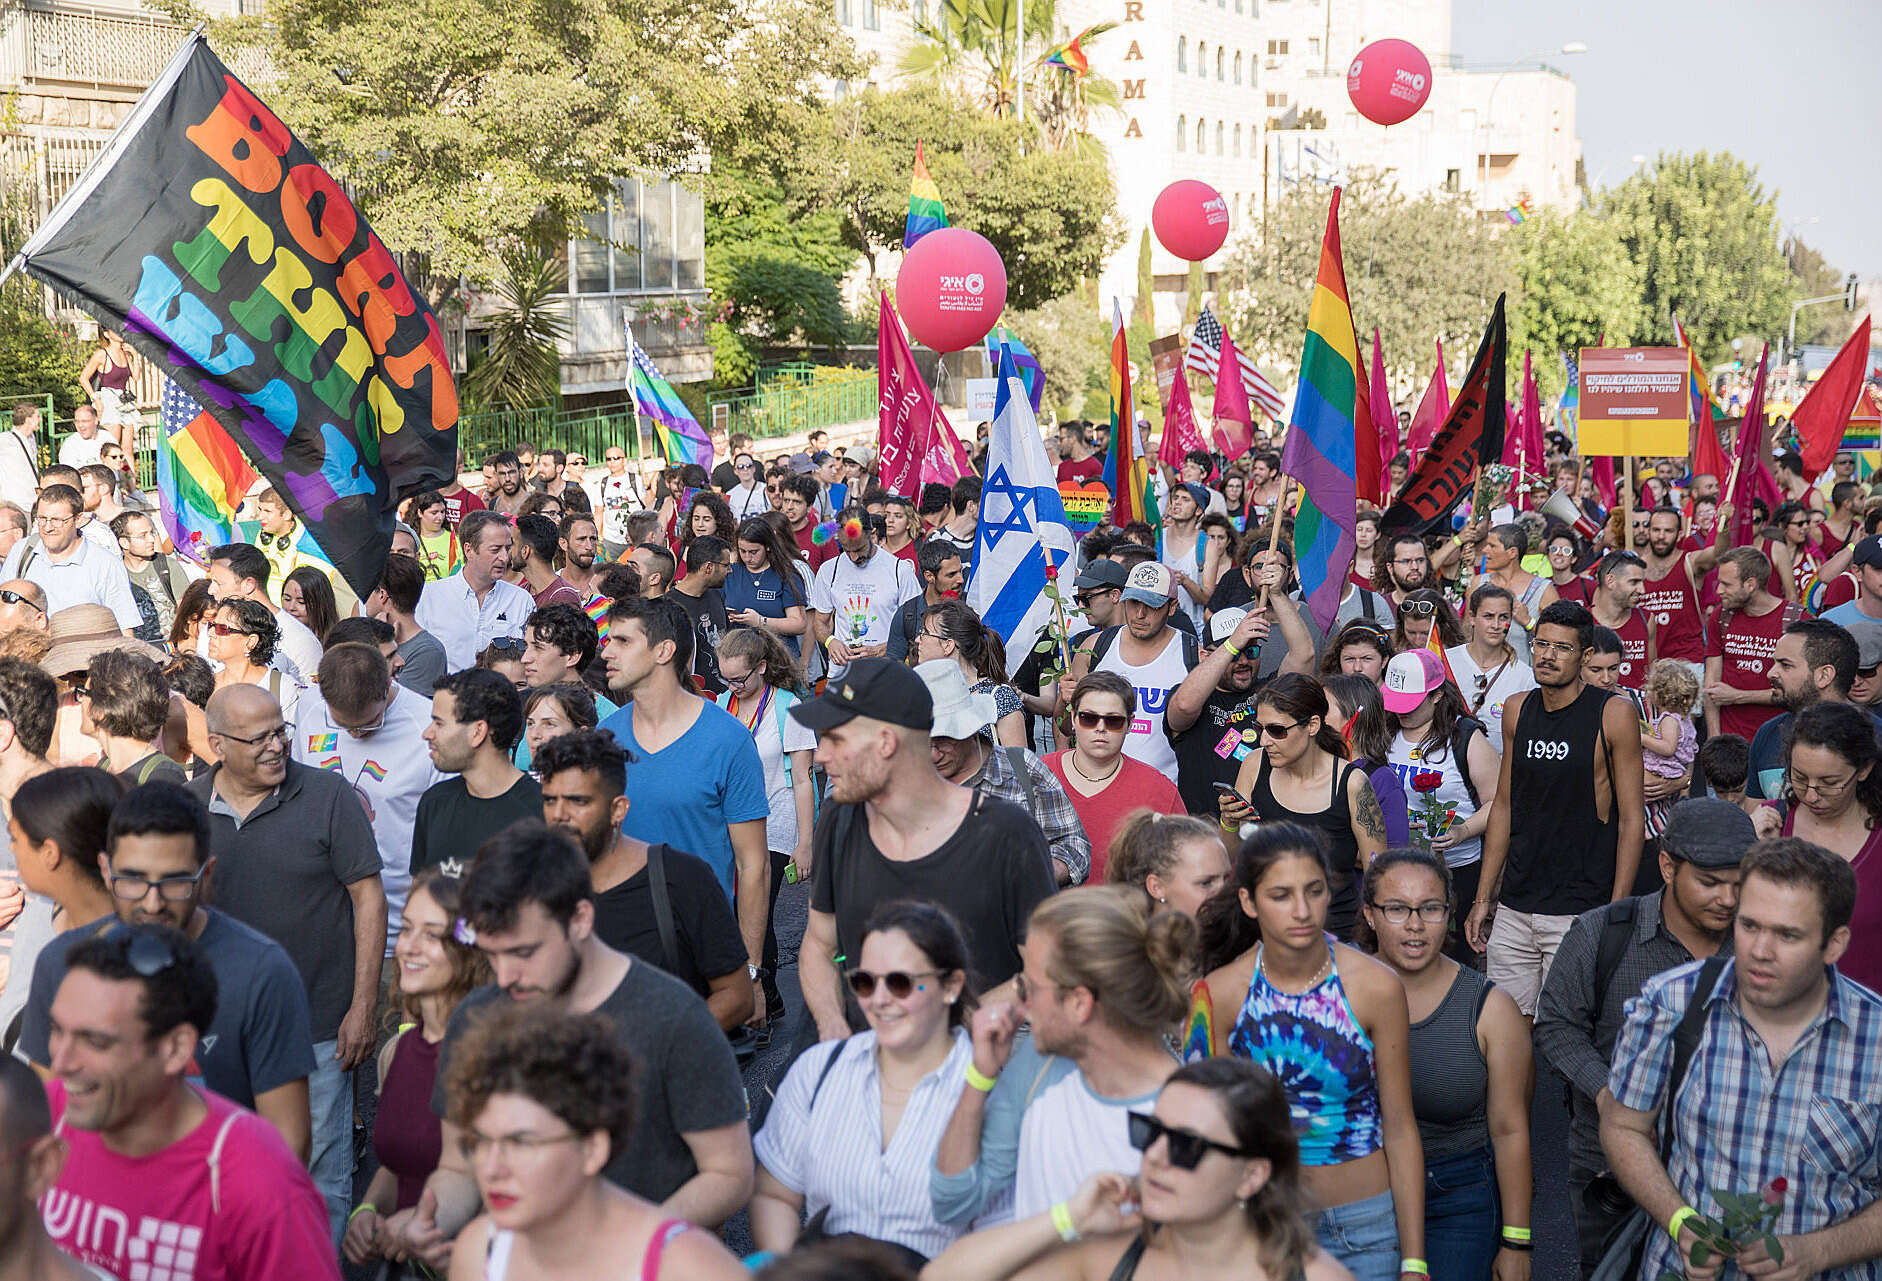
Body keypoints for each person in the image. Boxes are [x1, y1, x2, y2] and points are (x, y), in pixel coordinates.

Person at [391, 824, 751, 1267]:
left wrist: (621, 1244)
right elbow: (458, 1167)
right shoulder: (477, 1017)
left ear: (580, 918)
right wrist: (433, 1220)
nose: (503, 978)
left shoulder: (675, 1017)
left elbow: (729, 1173)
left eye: (523, 953)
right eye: (491, 954)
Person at [1602, 837, 1882, 1281]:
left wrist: (1819, 1251)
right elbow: (1623, 1126)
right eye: (1749, 925)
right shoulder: (1671, 1002)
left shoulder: (1876, 1039)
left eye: (1787, 934)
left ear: (1834, 944)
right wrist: (1679, 1221)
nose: (1759, 950)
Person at [23, 779, 317, 1158]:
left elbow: (288, 1143)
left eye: (175, 882)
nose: (153, 902)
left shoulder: (263, 972)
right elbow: (50, 1118)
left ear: (206, 876)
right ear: (105, 871)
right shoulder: (60, 965)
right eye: (132, 880)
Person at [191, 684, 385, 1239]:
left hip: (318, 1027)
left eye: (281, 731)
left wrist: (363, 1005)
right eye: (260, 738)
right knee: (226, 1170)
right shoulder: (188, 808)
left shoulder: (328, 796)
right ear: (218, 745)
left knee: (319, 1176)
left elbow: (368, 897)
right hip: (218, 1030)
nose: (277, 746)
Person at [41, 924, 340, 1279]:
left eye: (95, 1041)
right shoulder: (44, 1116)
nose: (61, 1063)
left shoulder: (260, 1182)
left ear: (176, 1049)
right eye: (57, 1031)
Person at [1533, 798, 1752, 1276]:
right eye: (1711, 883)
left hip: (1724, 1173)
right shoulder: (1602, 933)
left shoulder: (1758, 945)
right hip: (1608, 1169)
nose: (1729, 901)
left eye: (1741, 885)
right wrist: (1609, 1094)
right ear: (1668, 867)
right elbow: (1555, 1025)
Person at [1199, 823, 1424, 1281]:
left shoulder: (1376, 987)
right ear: (1248, 901)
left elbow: (1399, 1125)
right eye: (1280, 895)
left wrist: (1415, 1260)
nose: (1301, 910)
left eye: (1314, 891)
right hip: (1265, 1224)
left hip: (1367, 1225)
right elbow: (1210, 1129)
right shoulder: (1220, 995)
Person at [795, 658, 1056, 1041]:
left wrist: (951, 1027)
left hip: (974, 1072)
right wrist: (833, 1028)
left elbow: (1045, 970)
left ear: (886, 742)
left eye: (836, 739)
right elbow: (819, 944)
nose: (820, 756)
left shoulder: (1006, 833)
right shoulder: (839, 817)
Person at [925, 1056, 1347, 1281]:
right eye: (1150, 1131)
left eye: (1186, 1144)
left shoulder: (1315, 1277)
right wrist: (1068, 1218)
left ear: (1252, 1175)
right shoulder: (1113, 1255)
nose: (1156, 1155)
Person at [931, 887, 1192, 1227]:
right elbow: (953, 1203)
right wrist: (981, 1075)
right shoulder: (1036, 1067)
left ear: (1079, 1004)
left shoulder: (1188, 1115)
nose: (1019, 1005)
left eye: (1028, 988)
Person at [440, 1003, 747, 1281]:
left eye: (520, 1143)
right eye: (480, 1142)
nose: (491, 1169)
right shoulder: (479, 1253)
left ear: (593, 1148)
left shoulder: (689, 1268)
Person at [754, 900, 978, 1263]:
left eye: (901, 983)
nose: (879, 1000)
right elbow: (775, 1193)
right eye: (864, 982)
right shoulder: (820, 1071)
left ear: (951, 986)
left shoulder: (992, 1094)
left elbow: (1006, 1235)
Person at [1467, 601, 1645, 1020]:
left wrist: (1615, 913)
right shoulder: (1517, 708)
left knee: (1567, 1032)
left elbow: (1633, 821)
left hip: (1580, 908)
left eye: (1561, 648)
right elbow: (1505, 806)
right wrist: (1483, 897)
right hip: (1516, 904)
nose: (1546, 655)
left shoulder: (1613, 714)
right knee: (1507, 1033)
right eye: (1540, 643)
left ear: (1585, 656)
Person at [1361, 847, 1532, 1281]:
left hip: (1458, 1193)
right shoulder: (1336, 991)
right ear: (1369, 915)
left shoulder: (1491, 1008)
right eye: (1397, 909)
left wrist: (1516, 1241)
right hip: (1359, 1193)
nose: (1415, 925)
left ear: (1450, 913)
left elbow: (1510, 1129)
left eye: (1430, 909)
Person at [345, 865, 491, 1270]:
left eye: (432, 934)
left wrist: (424, 1226)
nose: (409, 946)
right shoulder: (396, 1052)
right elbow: (397, 1166)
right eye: (407, 928)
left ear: (469, 948)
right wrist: (367, 1211)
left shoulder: (489, 1056)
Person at [292, 642, 438, 976]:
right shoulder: (310, 709)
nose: (356, 734)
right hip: (324, 933)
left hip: (396, 940)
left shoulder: (427, 727)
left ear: (388, 685)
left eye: (370, 723)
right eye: (344, 726)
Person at [1220, 674, 1387, 940]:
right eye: (1259, 727)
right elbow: (1232, 860)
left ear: (1312, 725)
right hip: (1265, 931)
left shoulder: (1351, 783)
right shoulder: (1253, 765)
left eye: (1276, 730)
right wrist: (1228, 821)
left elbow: (1377, 872)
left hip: (1334, 935)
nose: (1264, 740)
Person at [918, 659, 1090, 888]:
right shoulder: (910, 781)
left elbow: (1074, 845)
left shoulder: (1022, 769)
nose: (933, 754)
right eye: (922, 742)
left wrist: (1032, 871)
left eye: (943, 741)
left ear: (969, 729)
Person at [716, 627, 815, 1023]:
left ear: (762, 666)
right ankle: (759, 1001)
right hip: (731, 826)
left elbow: (805, 779)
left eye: (741, 679)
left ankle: (765, 999)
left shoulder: (789, 709)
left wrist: (805, 842)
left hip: (776, 823)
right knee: (731, 911)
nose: (733, 686)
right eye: (727, 678)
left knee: (756, 911)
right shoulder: (721, 704)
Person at [1762, 701, 1882, 992]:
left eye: (1829, 782)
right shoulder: (1768, 824)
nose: (1811, 796)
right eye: (1800, 778)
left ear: (1863, 770)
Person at [1381, 651, 1500, 941]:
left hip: (1457, 870)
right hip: (1396, 867)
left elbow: (1498, 802)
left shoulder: (1465, 738)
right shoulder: (1383, 730)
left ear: (1435, 695)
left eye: (1410, 704)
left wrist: (1462, 831)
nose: (1401, 712)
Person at [1045, 672, 1185, 880]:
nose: (1100, 728)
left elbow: (1182, 864)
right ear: (1073, 718)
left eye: (1113, 721)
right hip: (1048, 911)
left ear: (1130, 724)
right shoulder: (1039, 774)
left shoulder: (1158, 788)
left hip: (1128, 911)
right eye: (1089, 718)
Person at [1070, 562, 1198, 785]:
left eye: (1152, 605)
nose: (1140, 614)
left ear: (1172, 606)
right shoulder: (1094, 647)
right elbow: (1067, 726)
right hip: (1099, 785)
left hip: (1164, 790)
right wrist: (1065, 703)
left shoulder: (1191, 652)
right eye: (1134, 603)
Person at [411, 668, 540, 876]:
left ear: (477, 732)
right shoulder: (435, 803)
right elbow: (420, 895)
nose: (427, 733)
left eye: (439, 723)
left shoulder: (541, 813)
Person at [1747, 618, 1878, 800]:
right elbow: (1757, 819)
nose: (1771, 673)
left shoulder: (1876, 738)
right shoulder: (1767, 735)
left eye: (1785, 665)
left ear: (1824, 675)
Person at [2, 486, 139, 634]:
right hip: (28, 652)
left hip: (82, 653)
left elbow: (125, 629)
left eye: (57, 520)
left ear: (78, 519)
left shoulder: (105, 564)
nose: (47, 527)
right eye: (42, 519)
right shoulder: (22, 551)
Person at [811, 506, 921, 682]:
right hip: (842, 677)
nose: (854, 558)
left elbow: (916, 630)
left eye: (859, 549)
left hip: (886, 676)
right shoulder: (828, 571)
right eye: (847, 551)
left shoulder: (899, 571)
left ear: (873, 534)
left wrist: (881, 650)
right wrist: (830, 641)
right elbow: (819, 623)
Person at [416, 510, 535, 672]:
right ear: (469, 550)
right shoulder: (430, 596)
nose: (504, 558)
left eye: (507, 549)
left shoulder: (521, 600)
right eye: (495, 550)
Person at [1704, 544, 1791, 742]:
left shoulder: (1795, 620)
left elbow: (1797, 691)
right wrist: (1714, 738)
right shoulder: (1721, 616)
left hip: (1778, 740)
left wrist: (1737, 696)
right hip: (1731, 742)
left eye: (1726, 584)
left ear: (1750, 585)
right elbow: (1711, 686)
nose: (1719, 591)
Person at [205, 542, 323, 680]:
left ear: (248, 584)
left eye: (218, 583)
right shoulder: (211, 629)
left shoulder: (299, 641)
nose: (210, 590)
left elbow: (310, 697)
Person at [917, 599, 1025, 747]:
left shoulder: (998, 697)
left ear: (948, 645)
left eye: (925, 633)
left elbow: (1019, 766)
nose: (918, 639)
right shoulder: (923, 694)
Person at [1323, 675, 1412, 849]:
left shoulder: (1381, 780)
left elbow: (1392, 853)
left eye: (1323, 709)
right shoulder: (1313, 767)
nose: (1313, 716)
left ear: (1354, 717)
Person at [1445, 586, 1537, 746]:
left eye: (1503, 617)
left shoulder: (1526, 677)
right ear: (1472, 618)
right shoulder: (1446, 661)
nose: (1496, 625)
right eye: (1488, 616)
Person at [76, 648, 183, 785]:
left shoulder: (161, 777)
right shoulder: (105, 766)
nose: (80, 700)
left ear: (103, 708)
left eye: (83, 693)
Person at [1104, 810, 1231, 917]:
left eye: (1226, 879)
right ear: (1156, 887)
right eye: (1206, 883)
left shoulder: (1234, 939)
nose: (1224, 893)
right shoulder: (1125, 945)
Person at [1463, 523, 1557, 661]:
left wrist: (1528, 622)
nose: (1484, 550)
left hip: (1524, 677)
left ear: (1512, 552)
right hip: (1481, 675)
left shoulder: (1543, 589)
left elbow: (1558, 638)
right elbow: (1467, 631)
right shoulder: (1478, 583)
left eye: (1492, 546)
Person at [726, 516, 809, 656]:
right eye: (742, 551)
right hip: (740, 656)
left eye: (754, 552)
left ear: (768, 547)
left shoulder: (786, 575)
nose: (747, 558)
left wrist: (760, 621)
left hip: (778, 658)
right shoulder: (730, 572)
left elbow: (799, 623)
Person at [371, 552, 450, 698]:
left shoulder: (427, 653)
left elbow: (392, 706)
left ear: (382, 595)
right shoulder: (371, 637)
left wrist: (381, 648)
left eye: (368, 591)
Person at [1639, 660, 1701, 843]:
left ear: (1659, 694)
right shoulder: (1685, 719)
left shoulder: (1669, 720)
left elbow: (1668, 748)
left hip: (1661, 769)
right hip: (1675, 773)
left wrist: (1642, 737)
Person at [110, 509, 189, 644]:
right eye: (143, 536)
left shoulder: (167, 566)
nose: (151, 539)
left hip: (171, 647)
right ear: (124, 542)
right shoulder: (114, 574)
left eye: (151, 533)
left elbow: (187, 609)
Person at [668, 535, 733, 695]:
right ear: (708, 567)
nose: (730, 571)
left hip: (725, 698)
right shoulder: (669, 607)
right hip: (693, 701)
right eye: (726, 565)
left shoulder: (716, 596)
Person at [887, 541, 964, 664]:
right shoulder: (907, 615)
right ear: (929, 576)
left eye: (960, 571)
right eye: (951, 575)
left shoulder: (969, 610)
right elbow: (894, 669)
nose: (961, 579)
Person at [282, 565, 340, 649]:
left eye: (301, 602)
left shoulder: (335, 645)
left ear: (321, 604)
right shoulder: (275, 636)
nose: (291, 607)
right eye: (287, 599)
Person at [408, 490, 461, 581]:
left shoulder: (455, 539)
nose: (440, 517)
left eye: (442, 512)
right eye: (434, 513)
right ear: (420, 513)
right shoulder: (410, 540)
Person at [0, 405, 37, 514]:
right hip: (15, 501)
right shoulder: (5, 440)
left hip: (32, 499)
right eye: (37, 416)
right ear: (28, 420)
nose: (40, 420)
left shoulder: (32, 438)